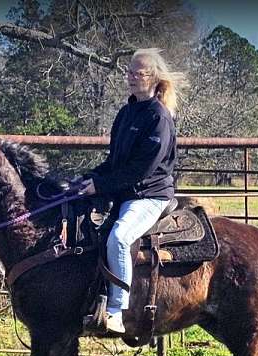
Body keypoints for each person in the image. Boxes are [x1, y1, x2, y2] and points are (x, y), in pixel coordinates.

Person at [78, 48, 186, 334]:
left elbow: (142, 169)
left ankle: (117, 310)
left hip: (150, 195)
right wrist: (88, 179)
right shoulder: (126, 113)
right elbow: (115, 161)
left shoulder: (159, 117)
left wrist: (100, 185)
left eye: (139, 73)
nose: (132, 77)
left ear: (154, 78)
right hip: (127, 193)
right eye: (129, 72)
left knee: (119, 238)